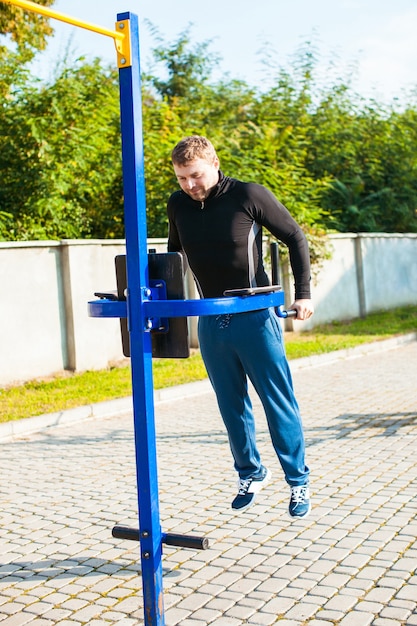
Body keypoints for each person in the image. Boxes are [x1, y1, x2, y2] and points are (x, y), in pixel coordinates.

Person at [167, 135, 314, 518]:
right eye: (182, 178)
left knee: (276, 401)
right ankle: (250, 471)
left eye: (195, 176)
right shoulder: (178, 204)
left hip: (254, 315)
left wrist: (304, 294)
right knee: (230, 405)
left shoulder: (248, 195)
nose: (189, 185)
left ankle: (298, 482)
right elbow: (172, 256)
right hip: (212, 319)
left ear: (215, 163)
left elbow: (295, 236)